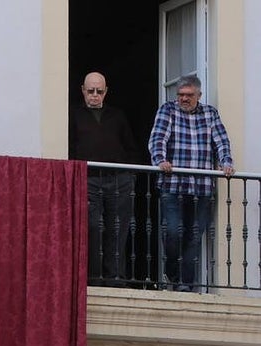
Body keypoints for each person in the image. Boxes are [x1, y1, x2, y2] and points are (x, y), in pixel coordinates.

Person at [148, 74, 234, 291]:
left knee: (194, 238)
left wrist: (226, 162)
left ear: (199, 95)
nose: (183, 99)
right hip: (173, 185)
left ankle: (185, 285)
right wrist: (160, 160)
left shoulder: (210, 113)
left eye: (189, 95)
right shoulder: (168, 110)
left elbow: (221, 142)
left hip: (202, 188)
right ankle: (172, 275)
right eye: (180, 95)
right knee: (174, 231)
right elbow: (157, 139)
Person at [69, 72, 141, 285]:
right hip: (88, 180)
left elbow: (131, 148)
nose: (94, 95)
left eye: (99, 91)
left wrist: (130, 175)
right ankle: (93, 279)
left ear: (106, 91)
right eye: (90, 91)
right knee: (92, 228)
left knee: (118, 229)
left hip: (118, 181)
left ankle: (115, 279)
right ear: (82, 90)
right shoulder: (73, 114)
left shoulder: (117, 116)